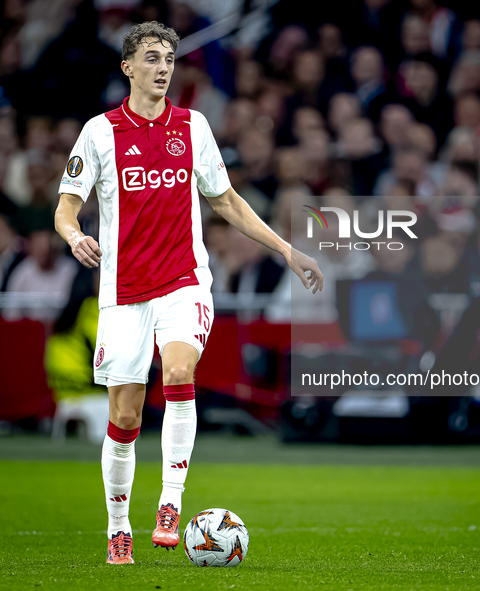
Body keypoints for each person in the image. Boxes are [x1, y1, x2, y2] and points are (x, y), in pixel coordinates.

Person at [54, 21, 323, 565]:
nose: (163, 68)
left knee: (179, 373)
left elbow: (226, 201)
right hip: (123, 290)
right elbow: (66, 207)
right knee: (126, 417)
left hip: (184, 280)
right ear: (128, 67)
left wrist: (287, 250)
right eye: (151, 58)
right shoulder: (99, 132)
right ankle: (118, 527)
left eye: (170, 59)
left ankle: (170, 505)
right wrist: (75, 234)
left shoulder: (194, 127)